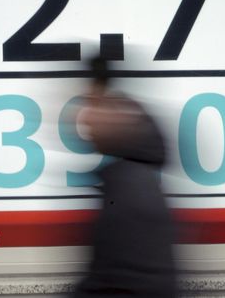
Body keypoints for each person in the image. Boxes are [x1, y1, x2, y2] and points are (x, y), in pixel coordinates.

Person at [73, 56, 178, 298]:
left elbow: (116, 284)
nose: (85, 118)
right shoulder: (132, 179)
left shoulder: (129, 189)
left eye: (94, 104)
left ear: (121, 115)